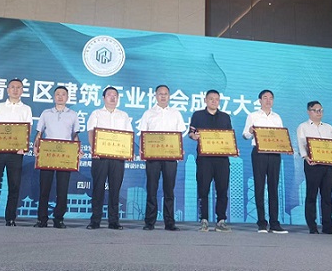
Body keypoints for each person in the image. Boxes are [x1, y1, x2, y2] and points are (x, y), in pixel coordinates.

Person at [0, 79, 33, 226]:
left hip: (16, 153)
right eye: (12, 87)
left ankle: (10, 218)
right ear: (7, 90)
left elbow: (27, 130)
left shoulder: (26, 109)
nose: (15, 90)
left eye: (18, 87)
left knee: (14, 186)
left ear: (22, 90)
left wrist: (23, 147)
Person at [138, 85, 185, 231]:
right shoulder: (148, 113)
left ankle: (169, 222)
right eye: (160, 94)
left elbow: (179, 135)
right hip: (153, 156)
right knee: (151, 189)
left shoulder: (176, 113)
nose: (163, 96)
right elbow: (142, 134)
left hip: (171, 157)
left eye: (165, 94)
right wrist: (142, 150)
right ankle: (149, 222)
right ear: (155, 96)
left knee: (169, 190)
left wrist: (179, 150)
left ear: (169, 96)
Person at [33, 85, 80, 229]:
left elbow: (75, 135)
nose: (60, 96)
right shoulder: (46, 113)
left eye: (63, 94)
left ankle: (59, 218)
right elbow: (39, 133)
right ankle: (42, 219)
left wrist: (77, 149)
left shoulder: (73, 114)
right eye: (58, 94)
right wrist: (36, 146)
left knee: (62, 189)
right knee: (44, 188)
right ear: (54, 97)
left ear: (67, 97)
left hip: (65, 156)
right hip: (47, 154)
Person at [86, 86, 132, 230]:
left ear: (118, 98)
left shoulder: (123, 115)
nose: (112, 98)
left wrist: (128, 152)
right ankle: (95, 220)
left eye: (115, 95)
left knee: (115, 189)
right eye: (109, 95)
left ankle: (114, 221)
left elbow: (128, 135)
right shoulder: (96, 114)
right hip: (100, 157)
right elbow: (91, 132)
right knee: (98, 188)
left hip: (118, 158)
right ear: (103, 98)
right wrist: (94, 149)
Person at [242, 89, 287, 233]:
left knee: (274, 187)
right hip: (259, 153)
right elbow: (245, 135)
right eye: (265, 98)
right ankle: (261, 222)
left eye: (271, 98)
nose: (268, 100)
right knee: (259, 186)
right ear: (260, 100)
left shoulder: (277, 117)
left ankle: (274, 223)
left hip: (274, 154)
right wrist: (250, 131)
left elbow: (281, 136)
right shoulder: (253, 115)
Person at [188, 89, 233, 233]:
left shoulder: (225, 117)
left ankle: (221, 221)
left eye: (217, 99)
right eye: (211, 99)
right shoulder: (198, 115)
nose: (214, 101)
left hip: (222, 160)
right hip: (204, 160)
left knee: (222, 190)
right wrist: (193, 136)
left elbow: (229, 137)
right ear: (205, 100)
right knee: (203, 190)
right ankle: (204, 220)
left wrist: (233, 148)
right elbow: (191, 133)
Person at [296, 101, 332, 234]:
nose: (319, 112)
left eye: (320, 110)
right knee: (311, 195)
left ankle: (328, 226)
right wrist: (306, 157)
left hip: (328, 165)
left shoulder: (328, 127)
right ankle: (312, 226)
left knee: (327, 196)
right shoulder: (303, 127)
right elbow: (301, 144)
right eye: (315, 110)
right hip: (312, 165)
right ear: (309, 112)